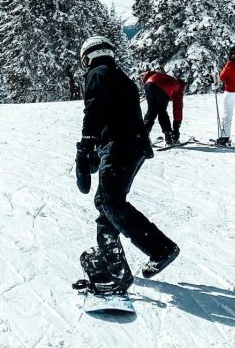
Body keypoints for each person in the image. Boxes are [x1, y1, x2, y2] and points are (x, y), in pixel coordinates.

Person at [74, 36, 180, 294]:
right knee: (106, 201)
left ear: (88, 56)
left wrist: (86, 143)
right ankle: (110, 257)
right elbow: (113, 113)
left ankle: (159, 247)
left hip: (121, 146)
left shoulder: (97, 73)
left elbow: (94, 109)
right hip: (129, 145)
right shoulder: (118, 76)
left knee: (110, 201)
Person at [142, 70, 186, 145]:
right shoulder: (179, 89)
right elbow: (177, 110)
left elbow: (149, 74)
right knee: (162, 111)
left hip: (149, 83)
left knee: (151, 111)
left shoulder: (169, 78)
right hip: (164, 86)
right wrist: (176, 130)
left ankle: (144, 136)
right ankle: (169, 137)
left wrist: (146, 81)